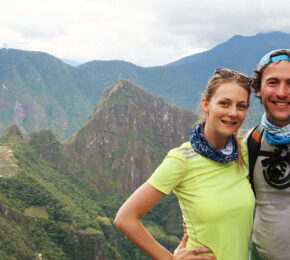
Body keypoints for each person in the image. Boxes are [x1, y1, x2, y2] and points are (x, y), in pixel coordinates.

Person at [114, 68, 255, 260]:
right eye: (224, 103)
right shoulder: (182, 159)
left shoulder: (243, 153)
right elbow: (125, 218)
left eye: (241, 106)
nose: (233, 113)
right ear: (206, 105)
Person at [246, 49, 290, 260]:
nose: (282, 93)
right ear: (258, 90)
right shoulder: (250, 143)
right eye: (273, 82)